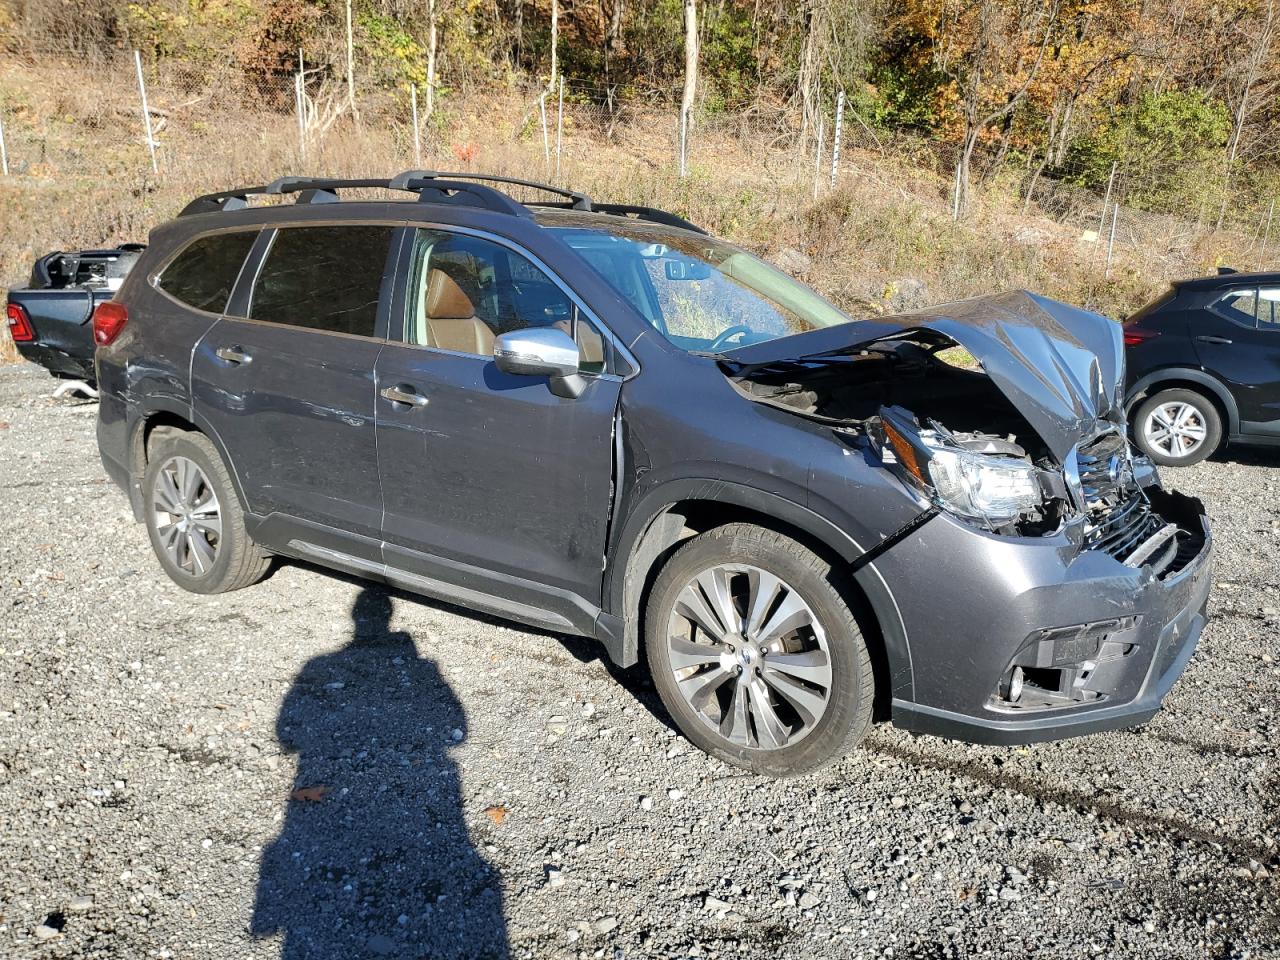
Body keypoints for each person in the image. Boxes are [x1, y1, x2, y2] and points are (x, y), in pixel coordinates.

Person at [252, 587, 509, 958]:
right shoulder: (422, 667)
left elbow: (286, 735)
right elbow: (459, 727)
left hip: (330, 786)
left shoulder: (320, 666)